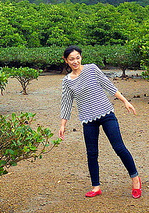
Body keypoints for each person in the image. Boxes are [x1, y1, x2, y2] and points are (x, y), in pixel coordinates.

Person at [58, 45, 141, 198]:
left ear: (81, 57)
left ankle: (135, 179)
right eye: (71, 59)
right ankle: (96, 187)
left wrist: (125, 101)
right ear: (66, 61)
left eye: (77, 58)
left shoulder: (92, 69)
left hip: (106, 113)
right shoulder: (67, 81)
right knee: (92, 153)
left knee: (119, 147)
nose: (75, 61)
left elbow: (108, 85)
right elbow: (66, 103)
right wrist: (63, 124)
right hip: (88, 119)